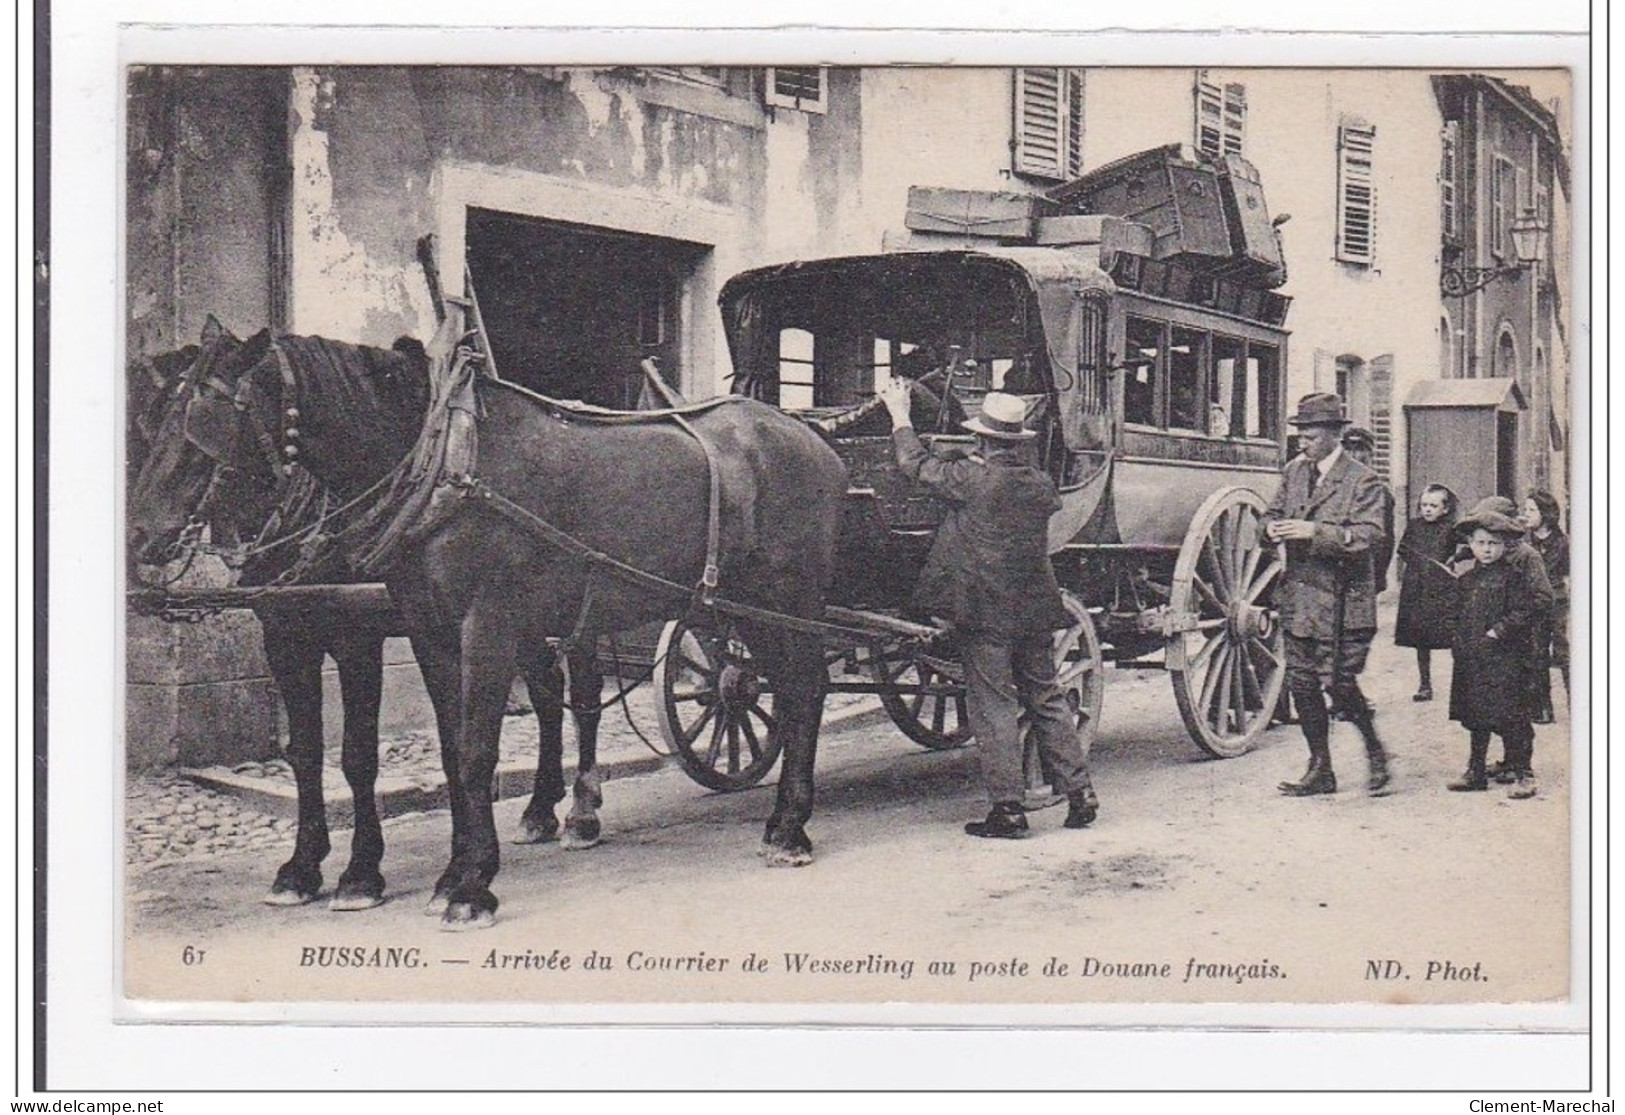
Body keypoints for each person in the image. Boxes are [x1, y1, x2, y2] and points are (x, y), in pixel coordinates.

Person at [876, 380, 1098, 838]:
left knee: (994, 705)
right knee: (1046, 696)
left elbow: (913, 464)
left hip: (985, 613)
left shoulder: (973, 480)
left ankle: (1010, 812)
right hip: (1035, 609)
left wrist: (900, 416)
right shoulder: (1038, 484)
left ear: (982, 439)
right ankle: (1081, 795)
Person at [1261, 393, 1391, 797]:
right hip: (1300, 600)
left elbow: (1370, 536)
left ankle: (1375, 751)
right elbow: (1270, 514)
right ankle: (1321, 768)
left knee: (1339, 684)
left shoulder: (1362, 479)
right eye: (1300, 435)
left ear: (1335, 435)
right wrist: (1269, 530)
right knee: (1302, 684)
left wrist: (1314, 532)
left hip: (1343, 603)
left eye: (1311, 435)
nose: (1303, 442)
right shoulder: (1295, 472)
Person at [1446, 508, 1550, 799]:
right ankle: (1475, 770)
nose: (1487, 549)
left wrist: (1498, 631)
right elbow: (1456, 614)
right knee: (1476, 715)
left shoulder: (1513, 577)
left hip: (1506, 659)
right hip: (1473, 659)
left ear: (1504, 546)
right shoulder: (1467, 580)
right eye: (1481, 543)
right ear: (1471, 545)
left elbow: (1525, 609)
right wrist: (1458, 639)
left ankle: (1523, 774)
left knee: (1511, 715)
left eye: (1493, 543)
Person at [1393, 483, 1460, 702]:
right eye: (1424, 505)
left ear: (1445, 508)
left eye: (1433, 505)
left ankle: (1461, 685)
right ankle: (1425, 684)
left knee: (1454, 635)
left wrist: (1454, 559)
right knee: (1421, 638)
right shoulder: (1414, 526)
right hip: (1417, 588)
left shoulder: (1451, 528)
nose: (1427, 509)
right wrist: (1420, 562)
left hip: (1442, 589)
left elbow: (1468, 544)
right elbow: (1402, 549)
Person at [1521, 490, 1570, 723]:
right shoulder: (1524, 541)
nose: (1525, 514)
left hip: (1558, 604)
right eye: (1525, 509)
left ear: (1546, 514)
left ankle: (1577, 704)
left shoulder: (1563, 542)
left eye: (1531, 510)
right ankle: (1543, 708)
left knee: (1563, 653)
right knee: (1537, 653)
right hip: (1535, 604)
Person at [1341, 427, 1396, 594]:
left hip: (1362, 573)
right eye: (1348, 449)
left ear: (1370, 455)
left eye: (1359, 450)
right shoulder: (1333, 487)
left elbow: (1385, 541)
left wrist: (1378, 576)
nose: (1353, 455)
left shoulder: (1379, 491)